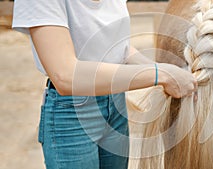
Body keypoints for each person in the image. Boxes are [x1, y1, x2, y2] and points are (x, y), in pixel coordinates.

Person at [12, 0, 197, 168]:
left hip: (115, 105)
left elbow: (120, 50)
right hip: (73, 112)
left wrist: (167, 72)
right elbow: (65, 75)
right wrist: (160, 74)